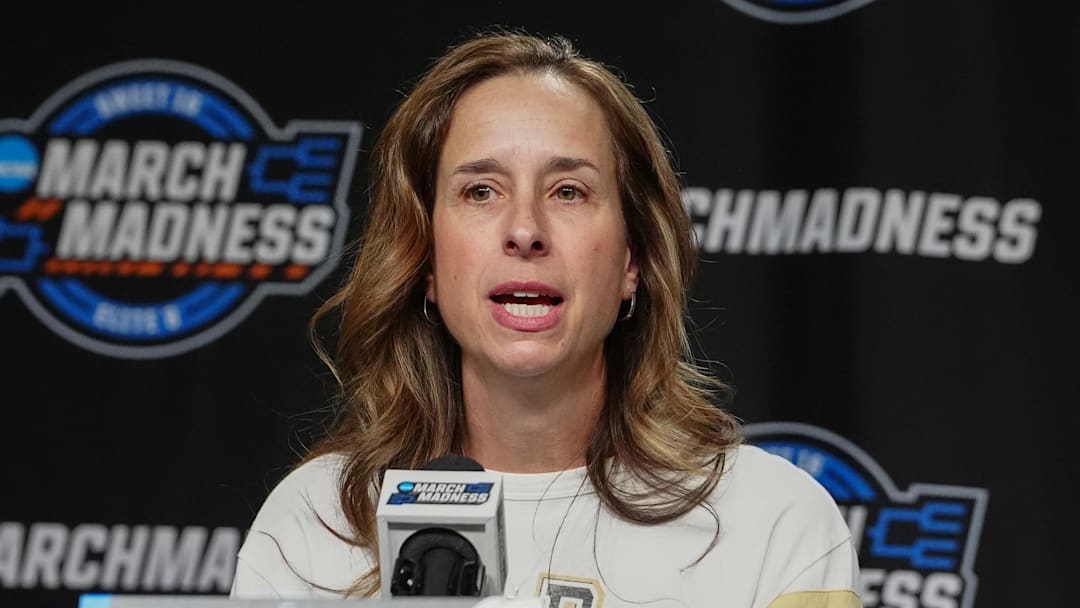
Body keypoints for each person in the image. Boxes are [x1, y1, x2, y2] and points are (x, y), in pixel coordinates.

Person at [230, 30, 862, 607]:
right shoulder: (315, 524)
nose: (526, 230)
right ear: (424, 257)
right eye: (481, 191)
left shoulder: (772, 520)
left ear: (631, 261)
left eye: (569, 191)